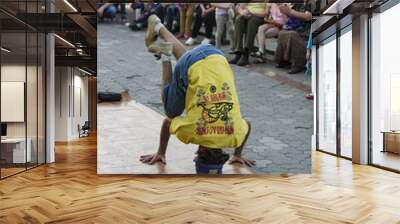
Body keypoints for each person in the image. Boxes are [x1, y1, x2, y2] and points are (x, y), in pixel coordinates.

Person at [141, 15, 256, 172]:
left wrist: (237, 153)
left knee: (191, 62)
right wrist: (161, 152)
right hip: (198, 62)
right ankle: (166, 57)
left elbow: (247, 124)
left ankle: (159, 27)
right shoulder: (192, 133)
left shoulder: (235, 135)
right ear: (197, 155)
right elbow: (168, 121)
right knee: (170, 110)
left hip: (217, 57)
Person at [274, 1, 313, 74]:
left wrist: (290, 11)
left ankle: (297, 65)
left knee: (292, 35)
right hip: (296, 28)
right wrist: (285, 10)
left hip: (306, 30)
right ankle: (284, 60)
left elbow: (308, 17)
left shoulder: (311, 2)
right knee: (282, 33)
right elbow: (291, 15)